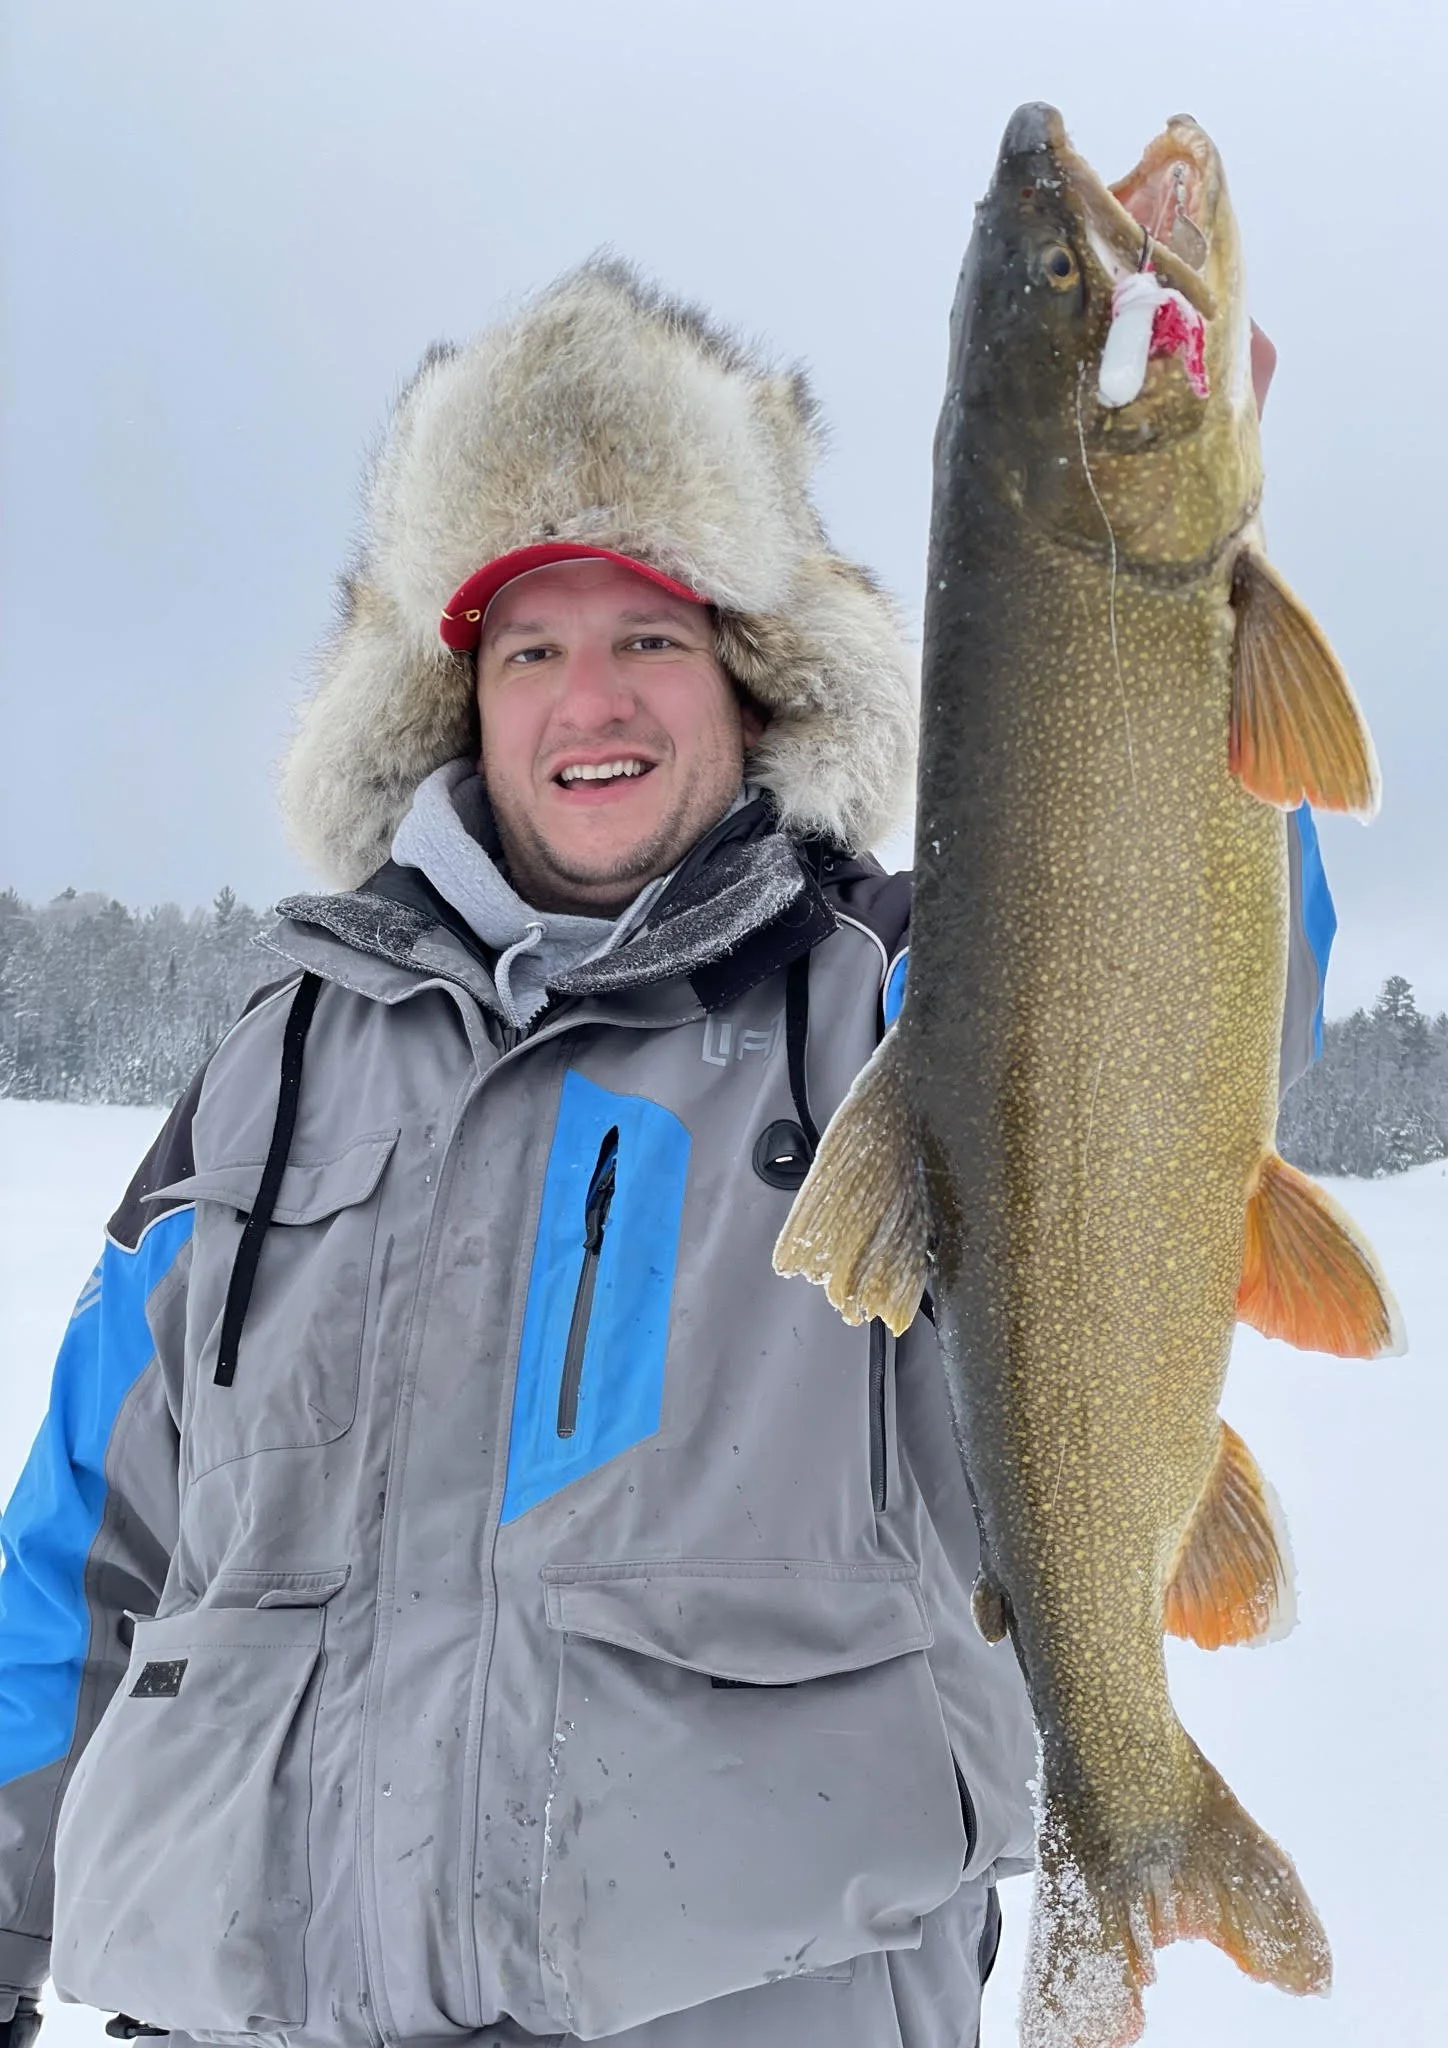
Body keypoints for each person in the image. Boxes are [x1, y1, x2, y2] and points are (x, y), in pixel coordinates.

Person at [0, 261, 1319, 2048]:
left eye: (650, 638)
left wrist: (1144, 578)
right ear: (456, 701)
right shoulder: (276, 1059)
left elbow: (1174, 1008)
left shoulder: (897, 999)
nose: (588, 700)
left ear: (752, 679)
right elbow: (83, 1545)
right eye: (530, 648)